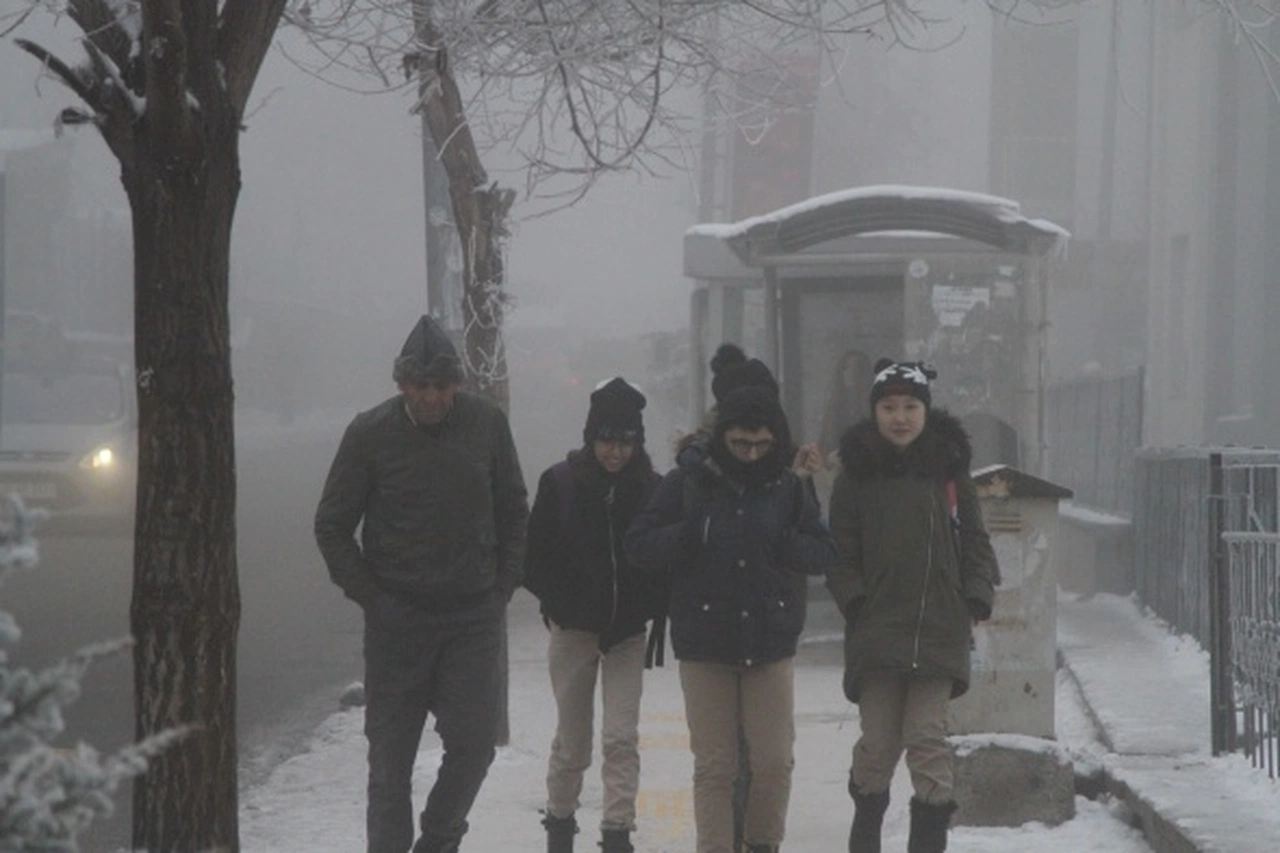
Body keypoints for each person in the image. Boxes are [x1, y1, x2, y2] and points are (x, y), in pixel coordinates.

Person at [314, 315, 529, 853]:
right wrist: (372, 597)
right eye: (420, 385)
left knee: (474, 747)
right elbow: (332, 525)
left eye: (441, 385)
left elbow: (513, 510)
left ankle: (438, 838)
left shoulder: (486, 425)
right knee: (390, 766)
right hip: (398, 621)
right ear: (402, 384)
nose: (431, 397)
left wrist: (501, 587)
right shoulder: (370, 433)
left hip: (471, 617)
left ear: (456, 384)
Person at [625, 381, 838, 853]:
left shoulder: (787, 487)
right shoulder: (687, 482)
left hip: (769, 643)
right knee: (715, 767)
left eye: (762, 444)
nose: (751, 454)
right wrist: (689, 534)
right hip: (705, 644)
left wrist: (786, 545)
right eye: (741, 443)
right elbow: (639, 543)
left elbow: (824, 550)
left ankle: (762, 843)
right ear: (722, 437)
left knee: (774, 763)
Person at [825, 359, 998, 853]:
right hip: (876, 633)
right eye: (889, 407)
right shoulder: (855, 476)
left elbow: (975, 538)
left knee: (927, 742)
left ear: (925, 411)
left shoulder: (949, 469)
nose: (899, 417)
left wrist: (976, 593)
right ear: (874, 411)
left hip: (939, 629)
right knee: (878, 747)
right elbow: (839, 553)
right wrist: (857, 603)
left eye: (909, 407)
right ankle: (866, 833)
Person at [522, 377, 666, 853]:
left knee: (621, 737)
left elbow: (664, 554)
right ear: (590, 438)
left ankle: (617, 832)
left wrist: (650, 602)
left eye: (626, 442)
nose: (615, 452)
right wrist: (560, 602)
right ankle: (560, 824)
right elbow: (534, 557)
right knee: (573, 742)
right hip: (572, 630)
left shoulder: (652, 488)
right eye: (607, 440)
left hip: (628, 632)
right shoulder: (560, 483)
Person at [818, 348, 874, 456]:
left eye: (857, 368)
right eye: (847, 367)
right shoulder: (833, 406)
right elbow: (825, 441)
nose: (851, 373)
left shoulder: (874, 406)